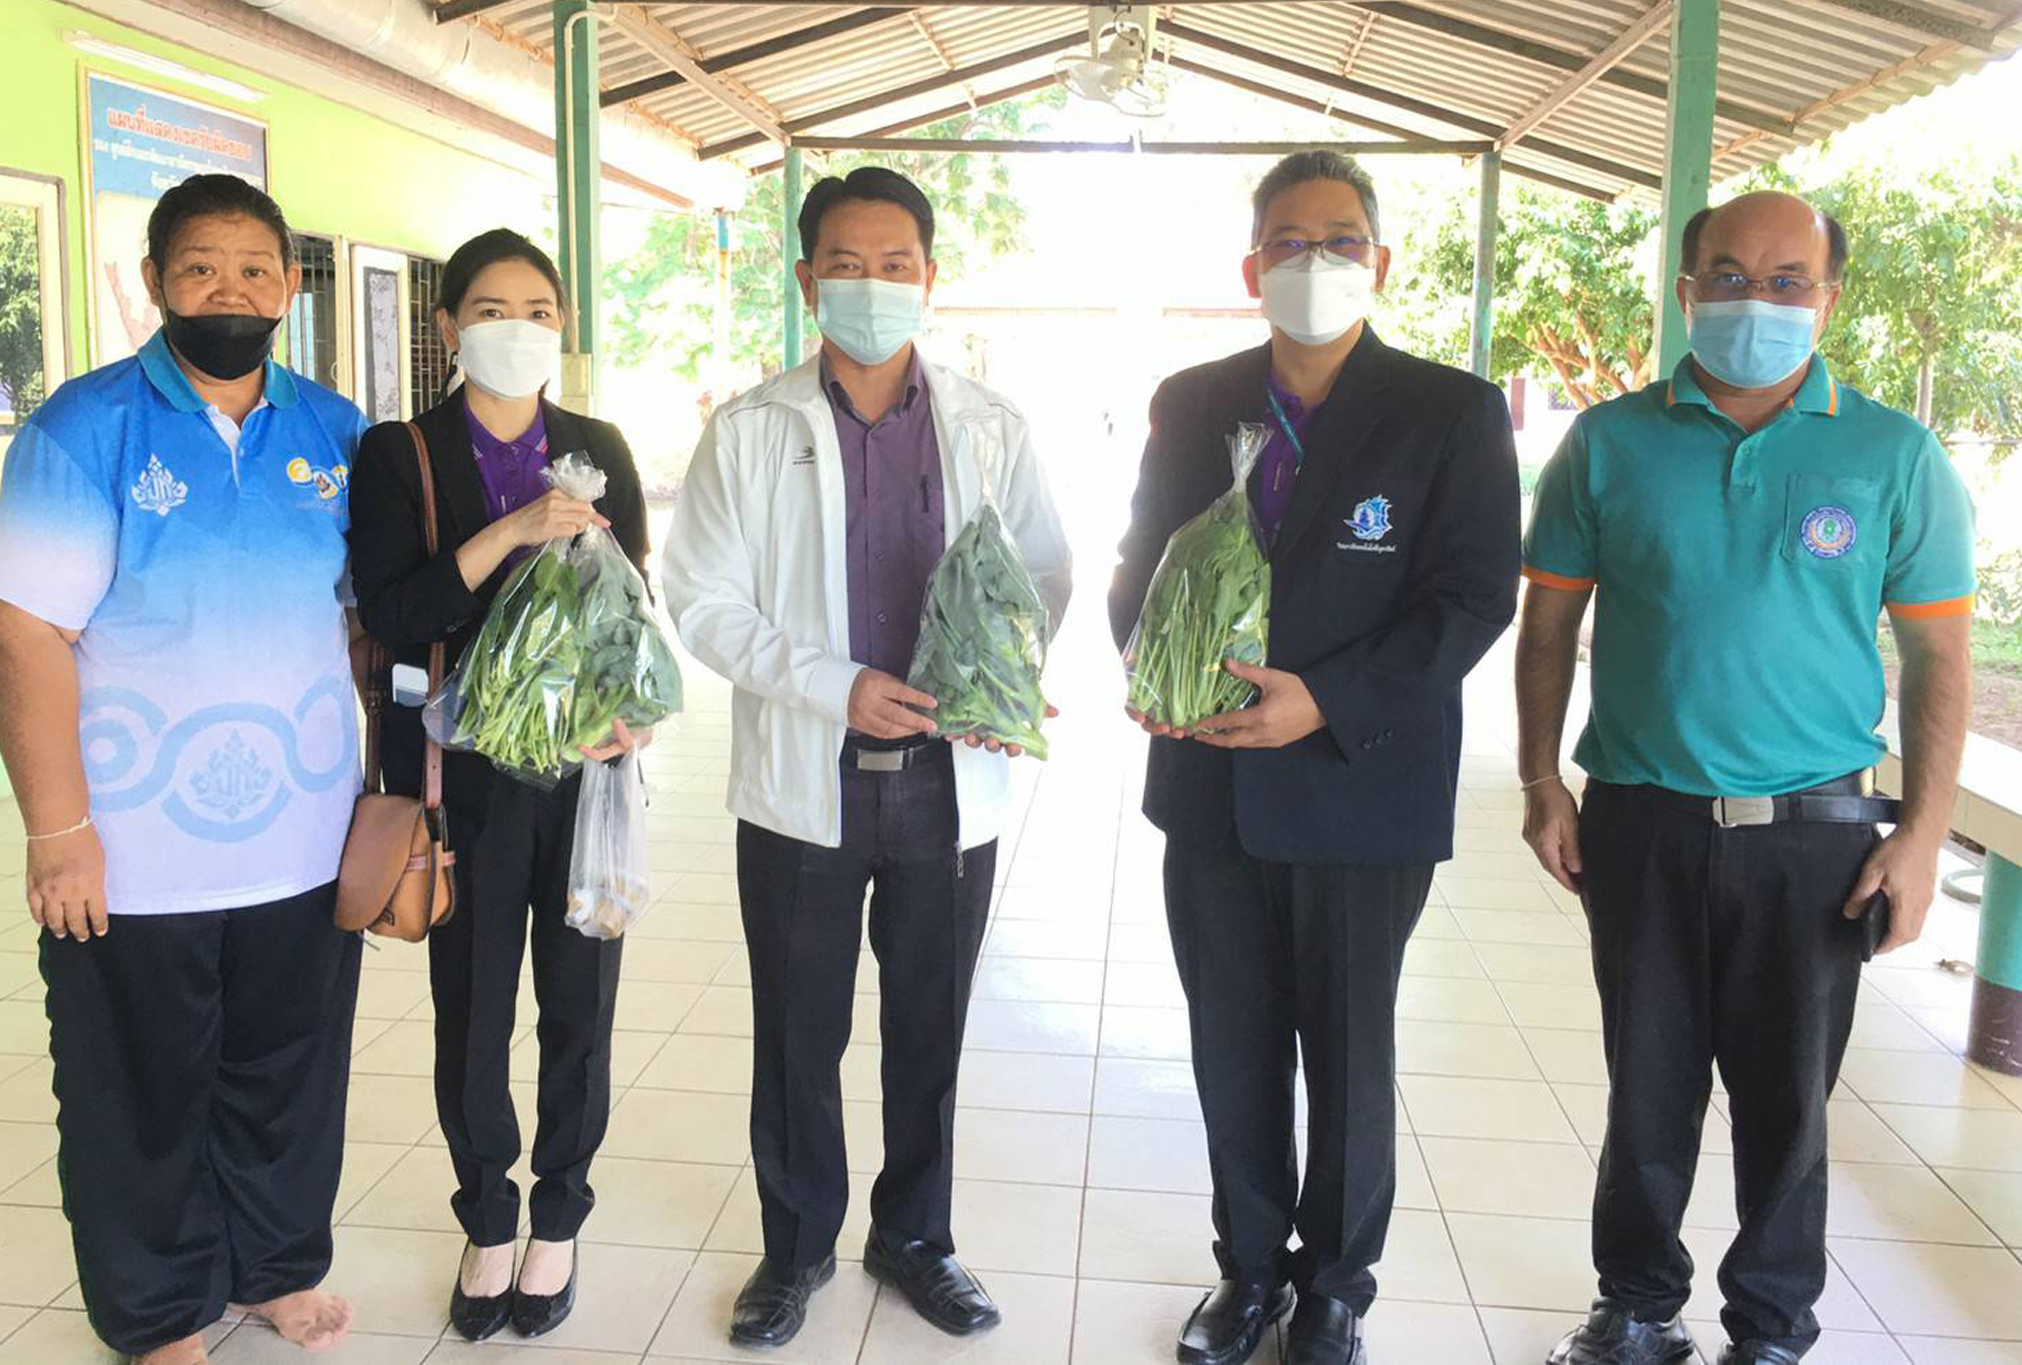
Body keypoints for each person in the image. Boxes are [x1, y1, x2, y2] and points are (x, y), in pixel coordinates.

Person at [1522, 191, 1975, 1365]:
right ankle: (1633, 1305)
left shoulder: (1890, 455)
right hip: (1641, 822)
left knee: (1789, 1105)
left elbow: (1936, 658)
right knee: (1646, 1089)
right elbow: (1545, 626)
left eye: (1784, 281)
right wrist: (1540, 778)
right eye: (1725, 276)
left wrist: (1920, 836)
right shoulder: (1608, 442)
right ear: (1685, 293)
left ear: (1827, 297)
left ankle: (1769, 1328)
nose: (1753, 300)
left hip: (1815, 836)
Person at [1108, 151, 1520, 1365]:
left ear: (1379, 262)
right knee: (1229, 1042)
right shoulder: (1192, 400)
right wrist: (1151, 670)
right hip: (1210, 786)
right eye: (1288, 241)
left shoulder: (1448, 409)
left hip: (1360, 784)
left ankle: (1335, 1283)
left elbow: (1468, 598)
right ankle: (1246, 1275)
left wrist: (1324, 703)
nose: (1314, 261)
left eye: (1340, 240)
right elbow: (1140, 564)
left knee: (1347, 1050)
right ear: (1250, 267)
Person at [661, 166, 1072, 1350]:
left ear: (929, 279)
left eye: (897, 264)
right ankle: (793, 1251)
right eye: (847, 262)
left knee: (928, 1028)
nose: (873, 284)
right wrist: (835, 686)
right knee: (797, 1029)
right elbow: (699, 601)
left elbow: (1041, 570)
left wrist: (1005, 667)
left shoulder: (991, 427)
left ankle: (916, 1238)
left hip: (949, 786)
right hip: (807, 783)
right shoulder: (749, 431)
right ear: (805, 280)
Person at [0, 173, 367, 1364]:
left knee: (287, 1069)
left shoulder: (336, 432)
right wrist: (58, 831)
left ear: (289, 288)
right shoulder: (84, 429)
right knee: (135, 1089)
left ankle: (275, 1264)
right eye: (200, 267)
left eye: (254, 269)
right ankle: (158, 1311)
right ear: (155, 283)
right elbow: (22, 628)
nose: (229, 291)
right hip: (132, 850)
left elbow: (371, 620)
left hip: (302, 834)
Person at [346, 228, 650, 1344]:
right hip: (459, 782)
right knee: (471, 1015)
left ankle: (559, 1218)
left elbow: (631, 612)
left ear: (559, 326)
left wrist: (629, 716)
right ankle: (486, 1218)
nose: (515, 328)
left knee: (580, 1009)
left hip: (583, 781)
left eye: (536, 309)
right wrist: (517, 528)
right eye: (489, 308)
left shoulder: (600, 443)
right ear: (447, 329)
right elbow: (394, 614)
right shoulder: (402, 456)